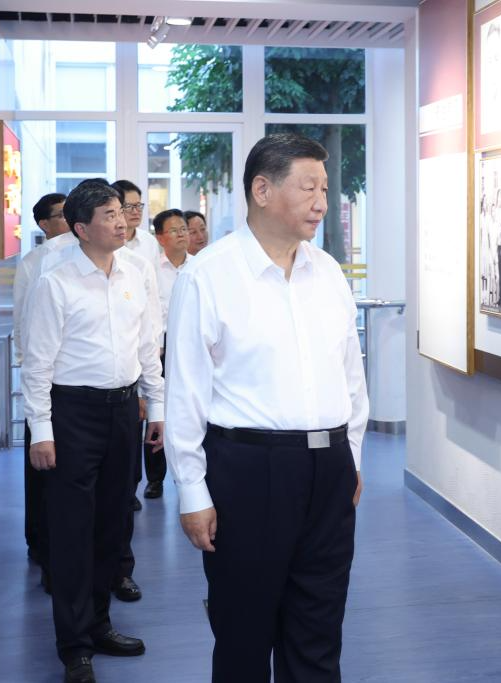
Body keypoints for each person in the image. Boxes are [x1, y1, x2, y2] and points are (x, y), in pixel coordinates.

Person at [164, 133, 368, 682]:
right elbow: (184, 393)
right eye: (308, 188)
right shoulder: (208, 275)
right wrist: (192, 491)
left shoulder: (328, 272)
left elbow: (351, 378)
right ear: (262, 189)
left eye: (324, 188)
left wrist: (351, 456)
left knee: (319, 629)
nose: (322, 202)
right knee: (244, 634)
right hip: (248, 472)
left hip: (328, 470)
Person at [21, 180, 164, 683]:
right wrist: (42, 430)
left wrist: (157, 405)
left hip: (124, 409)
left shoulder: (136, 272)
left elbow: (147, 345)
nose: (121, 221)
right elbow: (37, 363)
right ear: (81, 228)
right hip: (72, 413)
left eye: (121, 212)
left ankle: (100, 625)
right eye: (109, 214)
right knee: (72, 531)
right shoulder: (55, 282)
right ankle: (74, 646)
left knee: (112, 524)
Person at [12, 192, 67, 586]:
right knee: (42, 476)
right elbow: (22, 323)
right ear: (44, 225)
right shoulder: (34, 264)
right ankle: (42, 548)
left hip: (78, 387)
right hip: (44, 383)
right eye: (60, 215)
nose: (68, 220)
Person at [109, 179, 160, 601]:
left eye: (136, 207)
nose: (131, 215)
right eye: (123, 208)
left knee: (122, 494)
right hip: (76, 401)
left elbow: (148, 334)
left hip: (128, 391)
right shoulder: (59, 268)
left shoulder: (141, 262)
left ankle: (120, 572)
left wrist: (150, 395)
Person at [141, 209, 189, 499]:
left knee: (190, 410)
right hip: (160, 346)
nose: (182, 234)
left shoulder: (200, 267)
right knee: (157, 411)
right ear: (160, 237)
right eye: (174, 230)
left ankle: (192, 476)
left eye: (184, 228)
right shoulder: (150, 270)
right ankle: (155, 478)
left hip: (191, 345)